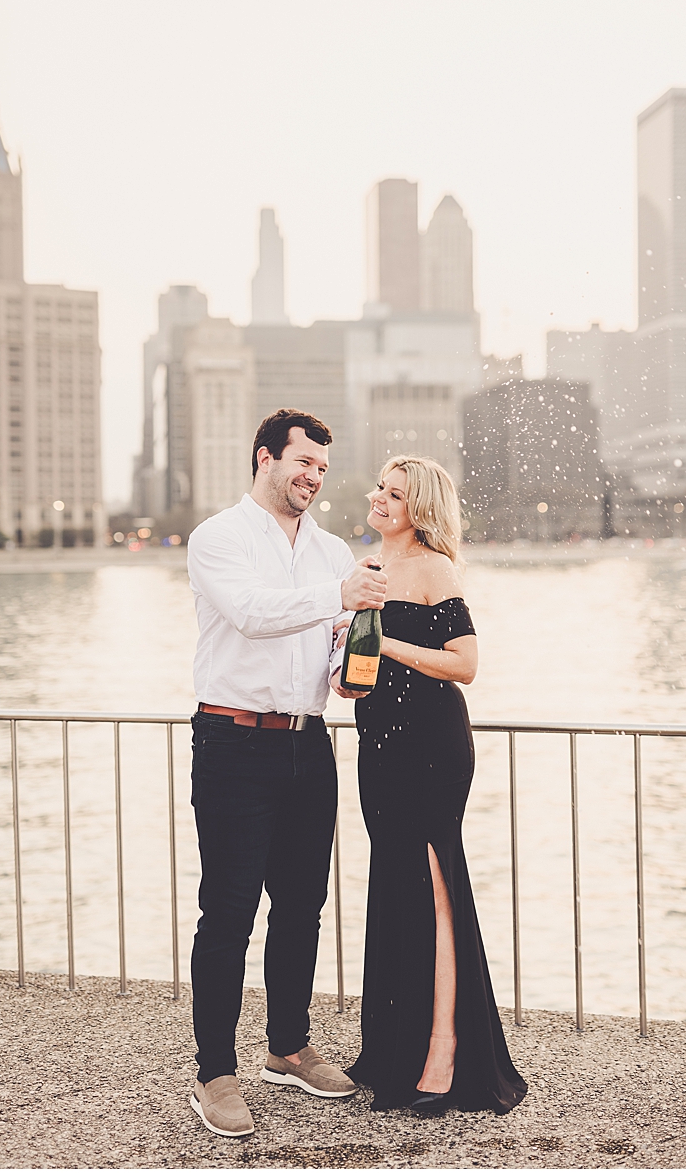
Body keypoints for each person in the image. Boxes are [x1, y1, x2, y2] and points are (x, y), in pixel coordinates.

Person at [185, 409, 388, 1138]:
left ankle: (287, 1046)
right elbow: (250, 614)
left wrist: (348, 667)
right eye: (302, 462)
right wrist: (340, 597)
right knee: (229, 910)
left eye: (323, 469)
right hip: (232, 740)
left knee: (303, 903)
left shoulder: (333, 547)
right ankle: (215, 1071)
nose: (312, 477)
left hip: (310, 743)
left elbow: (335, 643)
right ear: (265, 456)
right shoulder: (218, 537)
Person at [339, 455, 527, 1115]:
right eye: (380, 488)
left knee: (436, 886)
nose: (380, 498)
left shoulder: (435, 568)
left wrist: (387, 642)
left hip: (432, 748)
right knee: (396, 888)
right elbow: (355, 674)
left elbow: (465, 664)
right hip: (377, 749)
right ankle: (395, 1046)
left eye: (395, 493)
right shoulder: (364, 570)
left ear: (419, 508)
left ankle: (445, 1051)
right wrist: (349, 660)